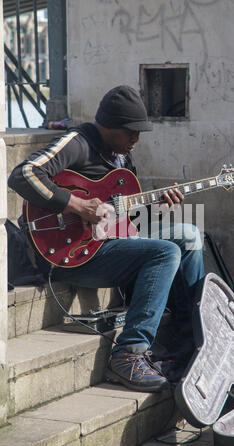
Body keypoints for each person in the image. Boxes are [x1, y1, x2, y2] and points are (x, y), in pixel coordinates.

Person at [8, 85, 205, 393]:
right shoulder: (78, 142)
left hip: (107, 242)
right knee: (164, 253)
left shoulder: (123, 159)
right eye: (131, 132)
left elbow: (123, 223)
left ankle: (189, 336)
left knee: (190, 236)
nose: (136, 139)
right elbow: (23, 174)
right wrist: (75, 205)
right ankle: (129, 352)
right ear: (109, 127)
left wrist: (156, 208)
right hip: (66, 253)